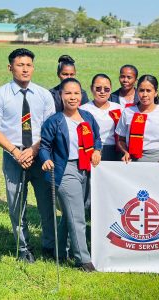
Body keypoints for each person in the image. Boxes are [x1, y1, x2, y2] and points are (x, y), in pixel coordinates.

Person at [0, 48, 56, 263]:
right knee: (17, 204)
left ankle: (50, 245)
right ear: (10, 67)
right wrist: (16, 152)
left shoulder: (44, 94)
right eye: (20, 65)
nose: (25, 69)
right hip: (13, 154)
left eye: (29, 65)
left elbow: (50, 128)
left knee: (46, 204)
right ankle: (24, 248)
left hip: (40, 153)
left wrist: (35, 150)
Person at [39, 78, 102, 272]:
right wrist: (45, 159)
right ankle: (82, 260)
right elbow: (44, 146)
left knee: (72, 212)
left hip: (86, 168)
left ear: (81, 95)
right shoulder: (55, 121)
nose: (72, 97)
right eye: (68, 93)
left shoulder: (88, 117)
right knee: (78, 216)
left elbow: (97, 138)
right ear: (61, 95)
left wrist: (97, 150)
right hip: (65, 169)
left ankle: (59, 250)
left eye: (76, 93)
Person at [115, 74, 159, 163]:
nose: (144, 94)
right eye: (141, 90)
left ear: (155, 93)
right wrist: (125, 152)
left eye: (148, 91)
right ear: (137, 92)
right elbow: (121, 140)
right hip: (132, 160)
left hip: (158, 159)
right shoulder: (127, 112)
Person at [80, 74, 122, 161]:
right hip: (91, 150)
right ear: (91, 88)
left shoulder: (119, 108)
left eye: (106, 89)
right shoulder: (83, 109)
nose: (102, 92)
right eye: (98, 88)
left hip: (115, 150)